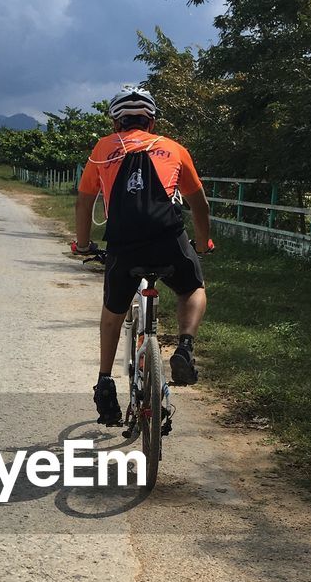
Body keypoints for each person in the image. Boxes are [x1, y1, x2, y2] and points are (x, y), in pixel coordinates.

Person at [73, 87, 213, 427]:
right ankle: (184, 346)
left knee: (113, 312)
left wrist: (83, 244)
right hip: (168, 239)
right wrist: (203, 241)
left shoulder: (104, 148)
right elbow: (199, 203)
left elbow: (84, 201)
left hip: (124, 244)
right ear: (151, 120)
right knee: (192, 288)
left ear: (116, 120)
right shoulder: (174, 148)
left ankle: (105, 381)